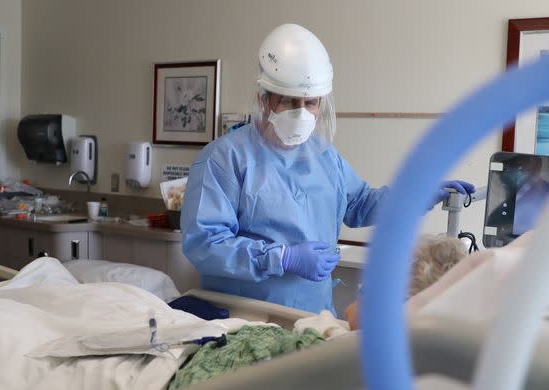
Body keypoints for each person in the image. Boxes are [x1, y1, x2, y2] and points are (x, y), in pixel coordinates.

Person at [181, 23, 474, 314]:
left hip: (312, 315)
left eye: (311, 103)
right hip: (244, 318)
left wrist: (417, 194)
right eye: (289, 101)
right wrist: (281, 258)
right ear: (264, 99)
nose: (302, 112)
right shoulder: (224, 159)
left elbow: (360, 204)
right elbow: (205, 245)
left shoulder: (325, 157)